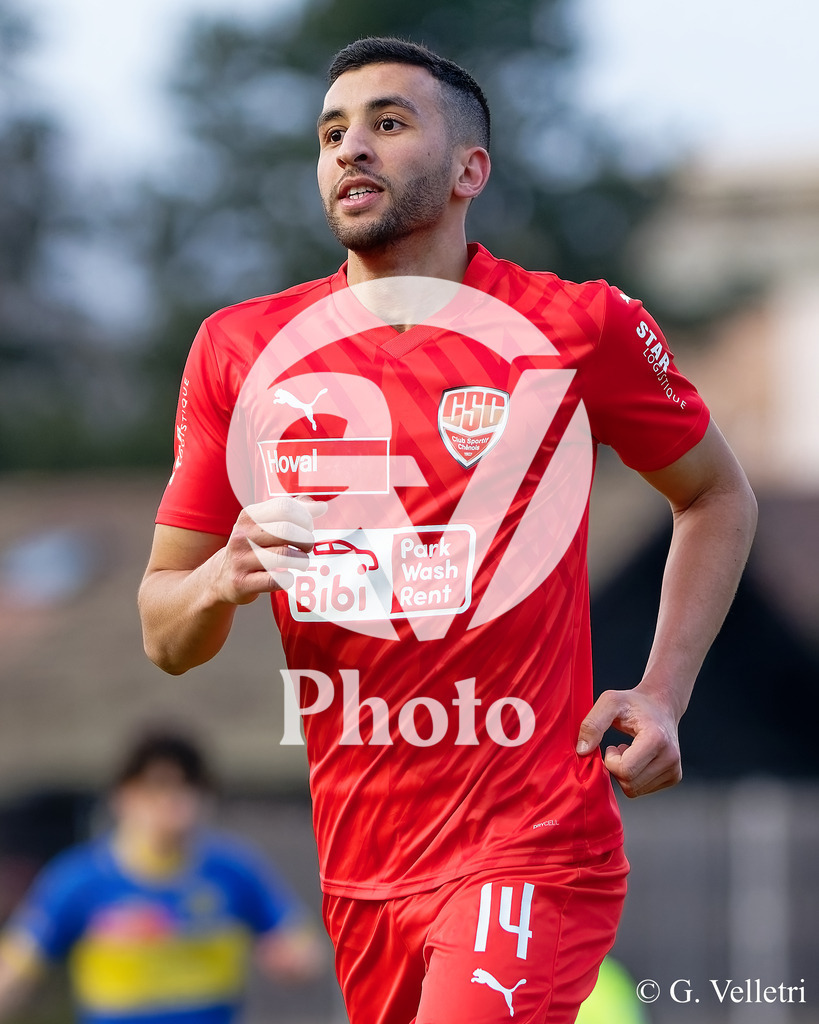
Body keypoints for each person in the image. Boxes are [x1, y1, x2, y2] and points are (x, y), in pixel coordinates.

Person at [137, 36, 757, 1024]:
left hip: (534, 844)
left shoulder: (576, 327)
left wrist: (665, 690)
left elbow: (718, 496)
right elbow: (164, 633)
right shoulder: (239, 352)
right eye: (332, 133)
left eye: (389, 123)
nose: (352, 150)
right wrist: (217, 579)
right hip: (363, 866)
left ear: (471, 169)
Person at [0, 729, 325, 1024]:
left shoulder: (234, 870)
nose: (174, 802)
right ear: (124, 796)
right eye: (158, 786)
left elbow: (304, 948)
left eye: (187, 787)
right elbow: (15, 969)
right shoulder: (78, 879)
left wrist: (294, 961)